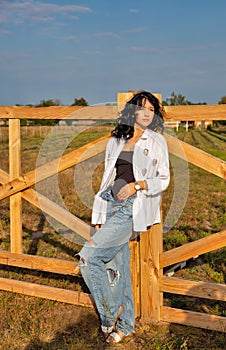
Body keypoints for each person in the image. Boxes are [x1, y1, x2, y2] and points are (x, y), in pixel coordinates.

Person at [76, 91, 170, 344]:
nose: (148, 113)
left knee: (88, 258)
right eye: (142, 108)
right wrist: (99, 213)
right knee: (120, 269)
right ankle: (126, 324)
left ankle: (108, 316)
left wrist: (138, 185)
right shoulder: (116, 140)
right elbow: (108, 179)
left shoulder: (157, 141)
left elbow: (164, 179)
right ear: (132, 112)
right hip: (111, 205)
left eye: (152, 109)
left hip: (133, 207)